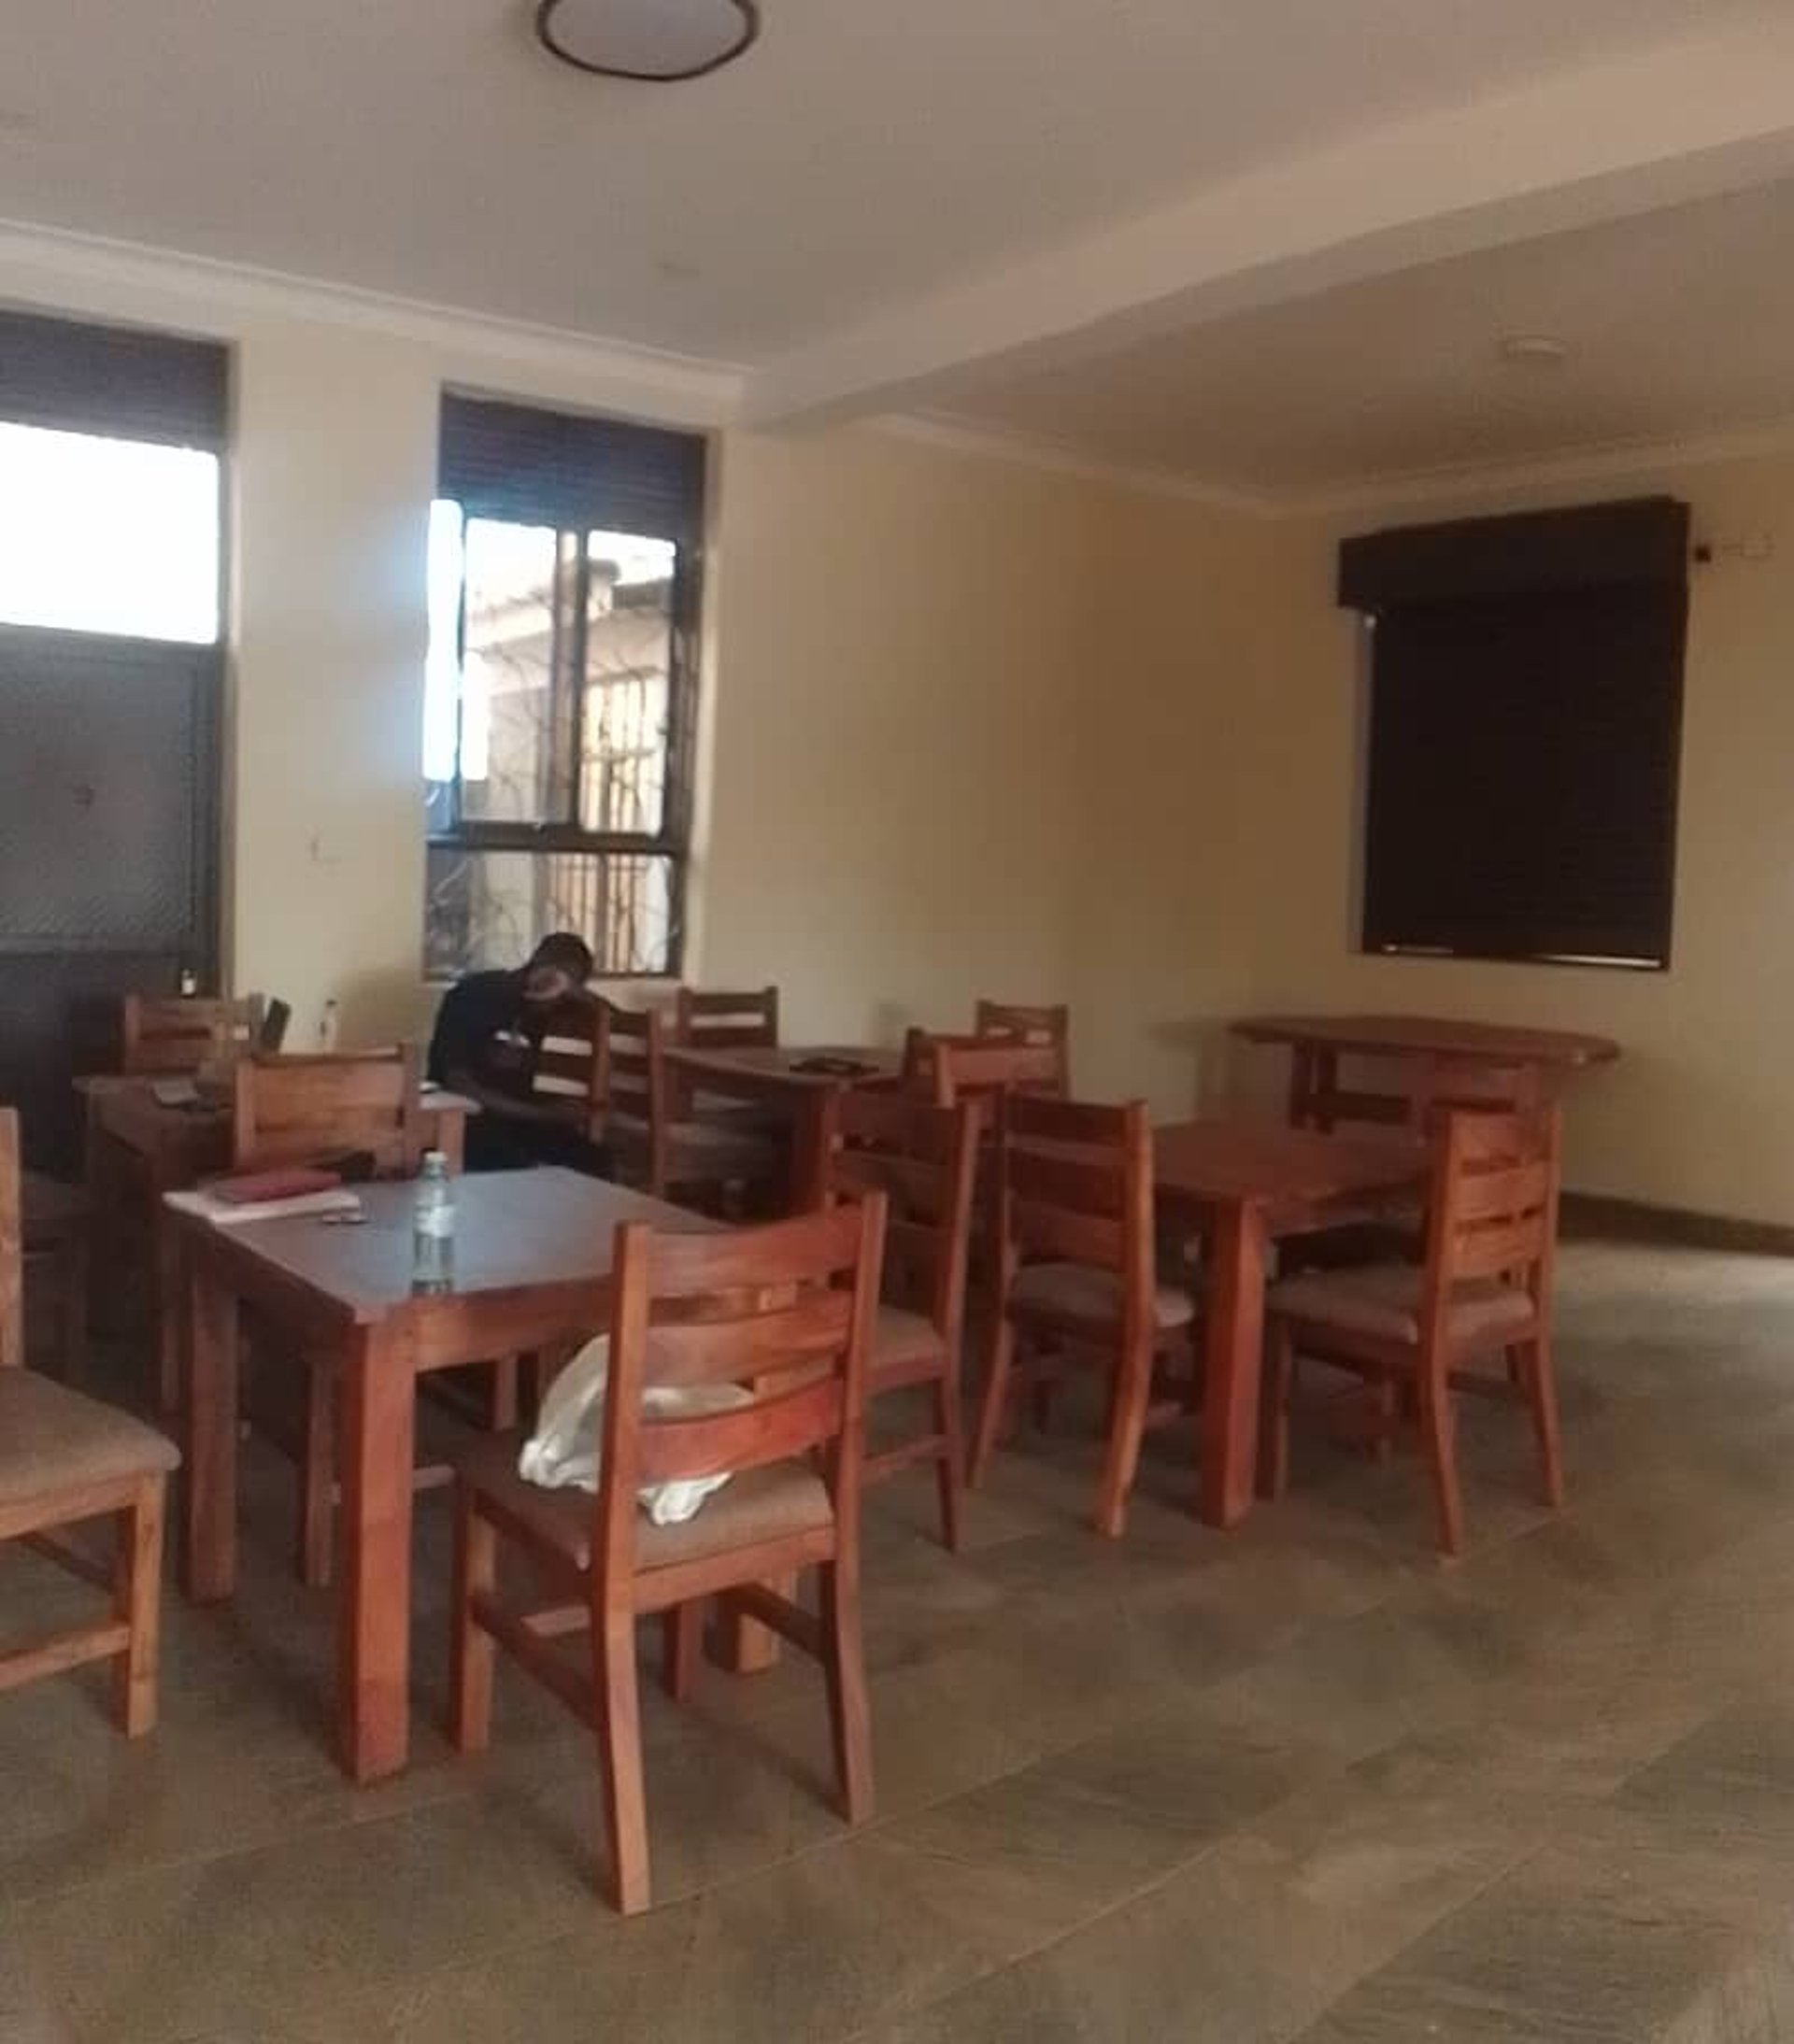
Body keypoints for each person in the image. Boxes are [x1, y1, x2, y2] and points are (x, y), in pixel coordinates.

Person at [427, 931, 611, 1175]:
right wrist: (544, 1114)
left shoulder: (545, 1009)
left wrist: (581, 996)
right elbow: (459, 1085)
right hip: (464, 1120)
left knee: (595, 1160)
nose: (556, 1001)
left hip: (517, 1120)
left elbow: (611, 1017)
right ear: (536, 967)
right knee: (514, 1163)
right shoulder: (475, 995)